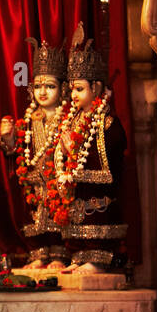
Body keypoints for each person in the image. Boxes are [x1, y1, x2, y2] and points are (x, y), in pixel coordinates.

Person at [54, 24, 127, 274]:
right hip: (77, 193)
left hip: (98, 196)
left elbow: (107, 163)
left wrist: (73, 153)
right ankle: (80, 256)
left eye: (80, 89)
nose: (73, 95)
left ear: (95, 88)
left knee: (95, 213)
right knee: (77, 219)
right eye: (72, 89)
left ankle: (97, 260)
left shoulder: (107, 123)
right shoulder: (73, 119)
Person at [0, 37, 69, 270]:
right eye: (38, 86)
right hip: (33, 182)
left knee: (59, 213)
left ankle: (59, 255)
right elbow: (16, 151)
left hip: (58, 181)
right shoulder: (28, 120)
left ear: (62, 90)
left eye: (50, 86)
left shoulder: (68, 118)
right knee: (32, 214)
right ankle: (38, 254)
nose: (43, 92)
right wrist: (9, 138)